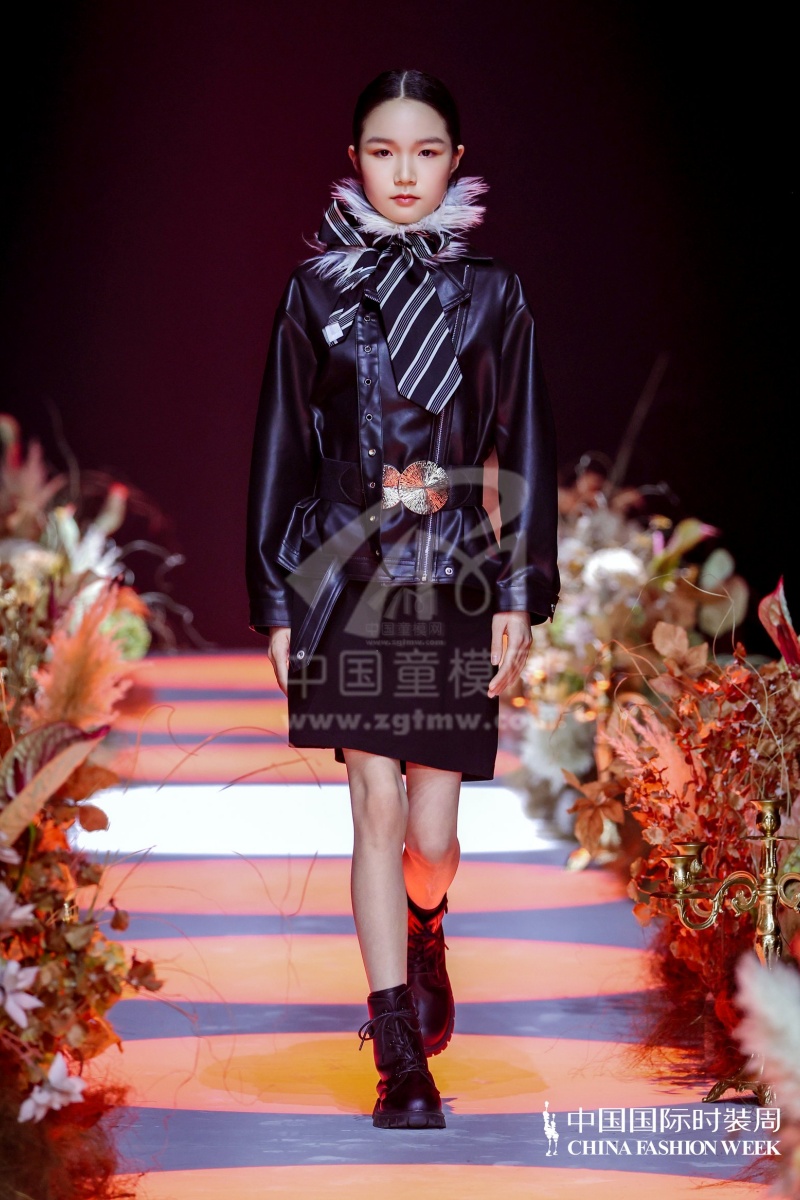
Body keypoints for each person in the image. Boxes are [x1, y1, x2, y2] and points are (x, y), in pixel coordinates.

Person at [245, 69, 560, 1129]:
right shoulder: (316, 293)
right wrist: (275, 600)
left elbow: (523, 441)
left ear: (456, 161)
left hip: (455, 575)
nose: (405, 172)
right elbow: (281, 448)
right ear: (355, 161)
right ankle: (397, 1056)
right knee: (373, 807)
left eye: (426, 151)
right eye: (383, 151)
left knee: (431, 835)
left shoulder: (494, 294)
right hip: (347, 576)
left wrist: (518, 588)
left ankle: (428, 925)